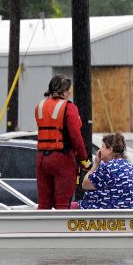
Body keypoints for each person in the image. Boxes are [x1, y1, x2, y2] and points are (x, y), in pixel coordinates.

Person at [35, 75, 89, 209]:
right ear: (64, 91)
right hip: (62, 159)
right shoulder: (69, 107)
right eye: (69, 90)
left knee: (44, 204)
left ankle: (43, 229)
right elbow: (76, 137)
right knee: (62, 205)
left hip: (41, 160)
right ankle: (61, 230)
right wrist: (84, 160)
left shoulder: (40, 106)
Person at [78, 132, 133, 209]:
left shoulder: (107, 167)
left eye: (102, 147)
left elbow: (85, 184)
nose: (99, 150)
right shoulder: (130, 166)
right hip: (129, 211)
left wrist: (96, 164)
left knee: (70, 206)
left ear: (110, 150)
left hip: (107, 213)